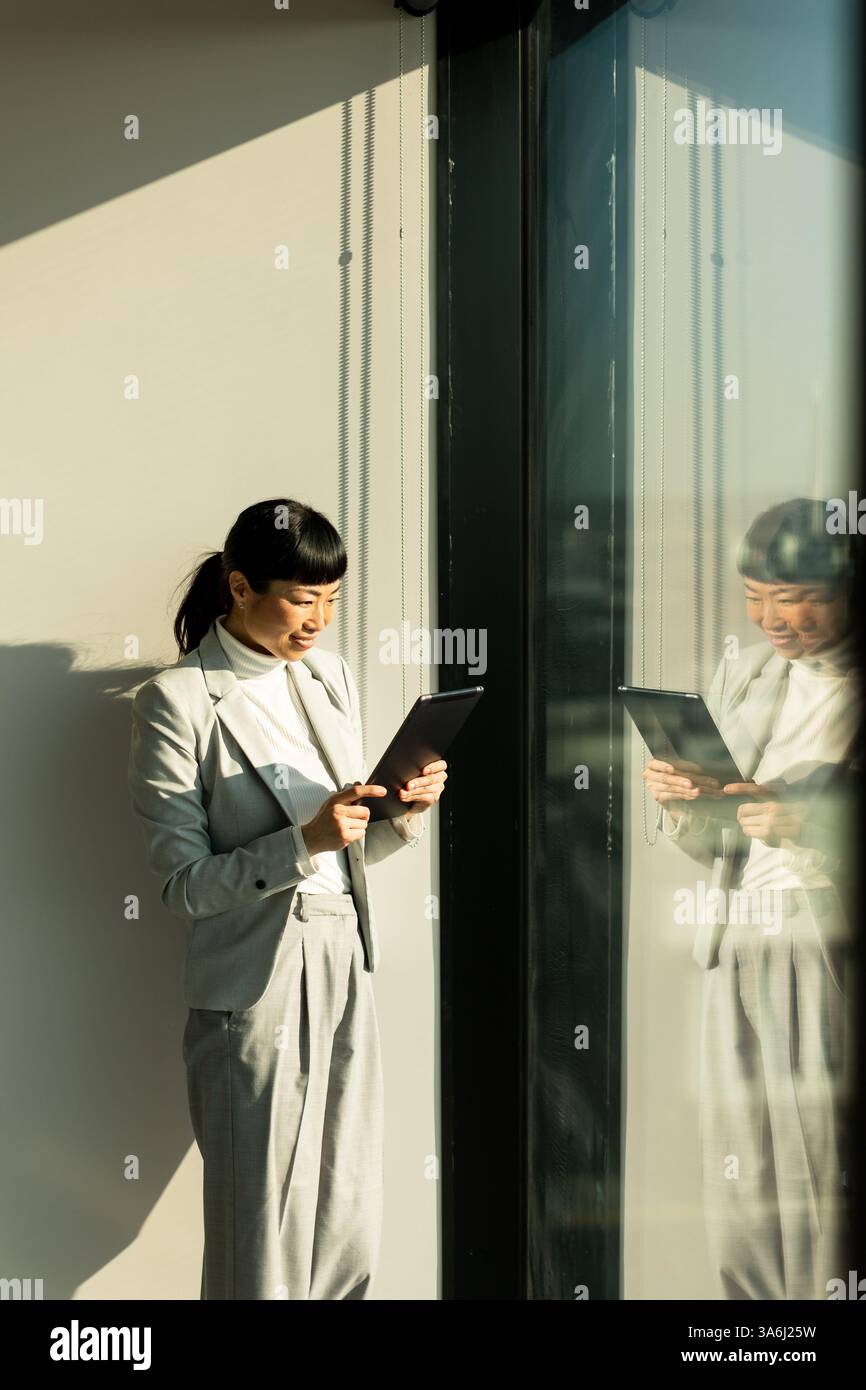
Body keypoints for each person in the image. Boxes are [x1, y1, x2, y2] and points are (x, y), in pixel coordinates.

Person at [127, 497, 447, 1300]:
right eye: (302, 599)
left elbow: (349, 846)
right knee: (259, 1226)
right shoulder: (177, 701)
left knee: (346, 1210)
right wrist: (301, 842)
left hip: (345, 954)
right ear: (239, 588)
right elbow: (180, 885)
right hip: (255, 978)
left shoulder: (329, 677)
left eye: (332, 601)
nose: (319, 621)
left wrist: (398, 813)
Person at [643, 497, 862, 1300]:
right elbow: (719, 843)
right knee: (744, 1172)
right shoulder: (748, 670)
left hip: (824, 941)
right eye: (756, 594)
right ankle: (759, 1340)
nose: (774, 618)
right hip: (738, 936)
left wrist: (817, 824)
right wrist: (683, 802)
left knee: (824, 1167)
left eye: (797, 596)